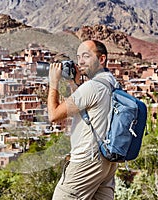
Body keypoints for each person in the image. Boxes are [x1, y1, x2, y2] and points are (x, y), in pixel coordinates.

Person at [48, 40, 118, 199]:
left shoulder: (92, 87)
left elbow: (54, 115)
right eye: (79, 57)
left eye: (86, 56)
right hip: (107, 161)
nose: (80, 62)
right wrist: (74, 83)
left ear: (101, 59)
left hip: (86, 160)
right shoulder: (111, 82)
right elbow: (85, 108)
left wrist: (54, 83)